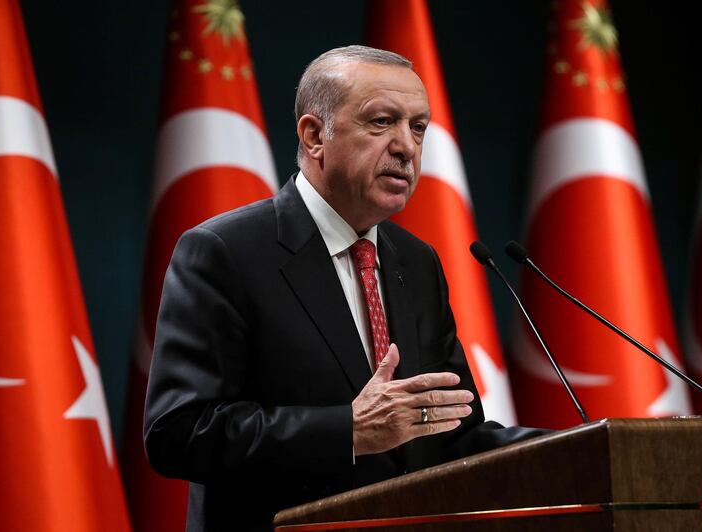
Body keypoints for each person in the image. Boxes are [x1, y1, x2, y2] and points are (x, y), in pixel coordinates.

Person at [144, 45, 543, 532]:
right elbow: (179, 432)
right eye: (381, 122)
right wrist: (347, 431)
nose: (406, 146)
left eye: (418, 127)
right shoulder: (224, 252)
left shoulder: (416, 262)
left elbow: (451, 435)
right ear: (315, 136)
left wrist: (585, 448)